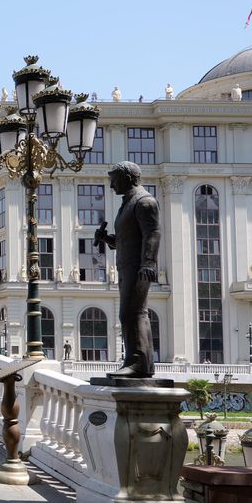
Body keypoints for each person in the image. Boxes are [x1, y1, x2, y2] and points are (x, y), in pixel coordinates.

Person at [94, 160, 161, 378]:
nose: (112, 186)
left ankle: (137, 363)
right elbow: (126, 239)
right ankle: (142, 363)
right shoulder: (129, 203)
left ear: (128, 178)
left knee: (132, 313)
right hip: (128, 266)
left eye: (114, 181)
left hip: (139, 267)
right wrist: (107, 239)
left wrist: (148, 263)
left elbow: (152, 234)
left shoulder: (144, 202)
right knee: (133, 313)